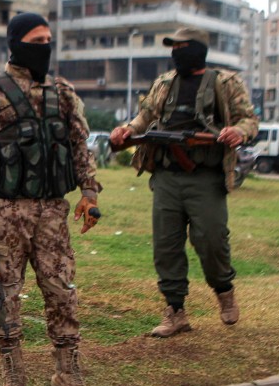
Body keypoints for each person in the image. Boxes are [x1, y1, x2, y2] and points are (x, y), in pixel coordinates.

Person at [0, 12, 101, 386]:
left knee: (62, 291)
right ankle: (13, 376)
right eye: (37, 41)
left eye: (48, 40)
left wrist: (89, 192)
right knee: (5, 296)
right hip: (5, 213)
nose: (45, 47)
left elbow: (79, 148)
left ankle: (67, 372)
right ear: (16, 44)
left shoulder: (63, 92)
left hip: (53, 212)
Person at [109, 27, 258, 338]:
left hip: (205, 176)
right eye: (173, 47)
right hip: (166, 175)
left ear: (199, 49)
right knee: (166, 245)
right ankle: (175, 312)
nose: (176, 52)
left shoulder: (225, 82)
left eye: (183, 47)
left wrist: (238, 131)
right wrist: (127, 130)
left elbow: (249, 119)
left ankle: (224, 290)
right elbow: (145, 116)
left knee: (211, 239)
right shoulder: (164, 83)